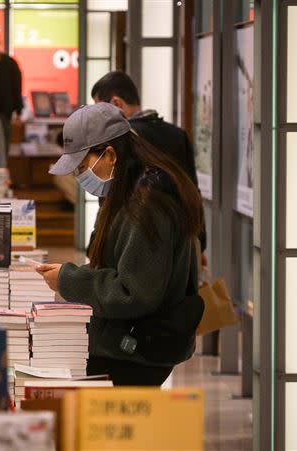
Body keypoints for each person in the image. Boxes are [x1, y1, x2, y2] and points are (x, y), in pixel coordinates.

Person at [37, 103, 204, 386]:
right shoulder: (130, 190)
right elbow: (120, 265)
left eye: (81, 166)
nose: (78, 177)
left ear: (110, 154)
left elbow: (134, 292)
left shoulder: (147, 203)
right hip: (129, 347)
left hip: (134, 352)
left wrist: (68, 280)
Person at [91, 70, 207, 255]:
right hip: (179, 245)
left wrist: (98, 246)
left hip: (134, 246)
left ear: (116, 103)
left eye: (100, 110)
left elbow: (109, 199)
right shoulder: (177, 135)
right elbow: (192, 191)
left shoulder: (121, 140)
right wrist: (199, 244)